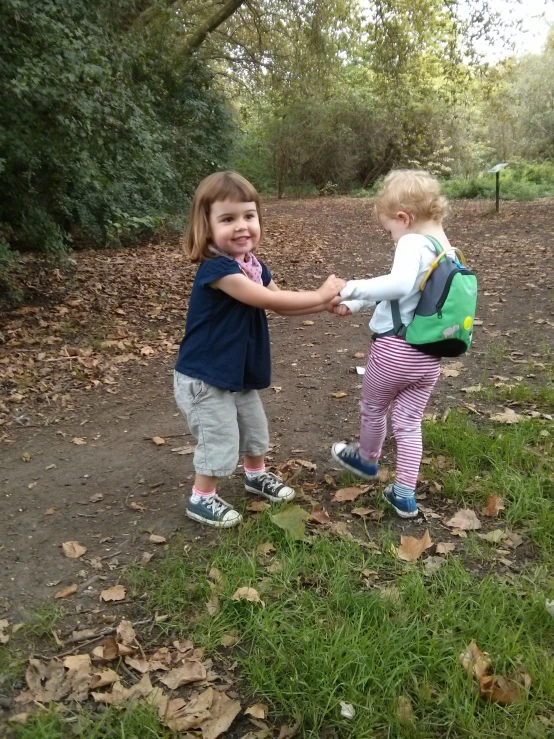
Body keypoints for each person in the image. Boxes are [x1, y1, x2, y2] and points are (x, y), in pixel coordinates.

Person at [175, 171, 345, 528]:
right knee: (219, 437)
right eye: (227, 219)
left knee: (254, 428)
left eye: (248, 216)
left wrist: (322, 305)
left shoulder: (251, 264)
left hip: (235, 370)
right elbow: (264, 298)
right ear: (205, 227)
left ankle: (256, 475)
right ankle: (201, 497)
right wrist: (319, 293)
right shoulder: (218, 270)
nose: (241, 226)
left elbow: (281, 304)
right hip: (205, 375)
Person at [331, 170, 453, 519]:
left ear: (405, 218)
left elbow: (398, 286)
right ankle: (404, 494)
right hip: (429, 356)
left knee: (373, 408)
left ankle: (368, 460)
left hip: (394, 352)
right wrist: (355, 305)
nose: (391, 238)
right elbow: (406, 297)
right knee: (409, 422)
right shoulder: (446, 251)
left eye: (389, 230)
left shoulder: (412, 242)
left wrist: (350, 288)